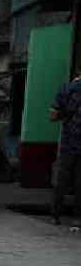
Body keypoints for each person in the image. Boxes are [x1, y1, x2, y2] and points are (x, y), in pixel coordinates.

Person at [49, 72, 81, 225]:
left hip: (68, 141)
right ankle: (77, 218)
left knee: (62, 179)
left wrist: (65, 114)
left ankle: (55, 215)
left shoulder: (67, 89)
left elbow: (53, 116)